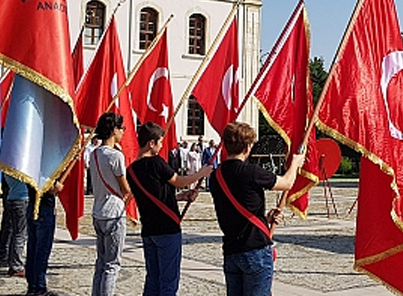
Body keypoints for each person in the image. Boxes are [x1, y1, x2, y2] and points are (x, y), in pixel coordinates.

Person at [209, 121, 305, 296]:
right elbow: (287, 183)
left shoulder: (216, 176)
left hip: (231, 250)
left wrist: (264, 218)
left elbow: (232, 208)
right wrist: (295, 164)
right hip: (254, 249)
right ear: (247, 147)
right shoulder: (250, 171)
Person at [127, 122, 212, 296]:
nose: (161, 146)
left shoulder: (132, 170)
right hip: (167, 228)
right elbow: (178, 181)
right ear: (151, 143)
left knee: (153, 279)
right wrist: (201, 174)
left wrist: (181, 197)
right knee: (168, 281)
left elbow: (155, 196)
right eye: (159, 143)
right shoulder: (156, 162)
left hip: (149, 229)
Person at [89, 113, 132, 296]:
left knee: (101, 262)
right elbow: (124, 188)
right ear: (114, 130)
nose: (123, 132)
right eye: (121, 129)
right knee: (112, 265)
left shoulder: (94, 153)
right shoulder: (116, 156)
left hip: (98, 211)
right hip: (114, 212)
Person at [25, 178, 64, 296]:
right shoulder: (43, 171)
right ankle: (39, 287)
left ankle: (32, 286)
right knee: (41, 252)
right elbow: (52, 188)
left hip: (32, 207)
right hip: (44, 208)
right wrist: (58, 185)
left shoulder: (29, 167)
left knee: (32, 249)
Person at [0, 174, 28, 277]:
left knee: (13, 231)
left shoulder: (8, 165)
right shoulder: (20, 168)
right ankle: (16, 266)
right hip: (22, 198)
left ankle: (9, 259)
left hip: (12, 197)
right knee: (20, 234)